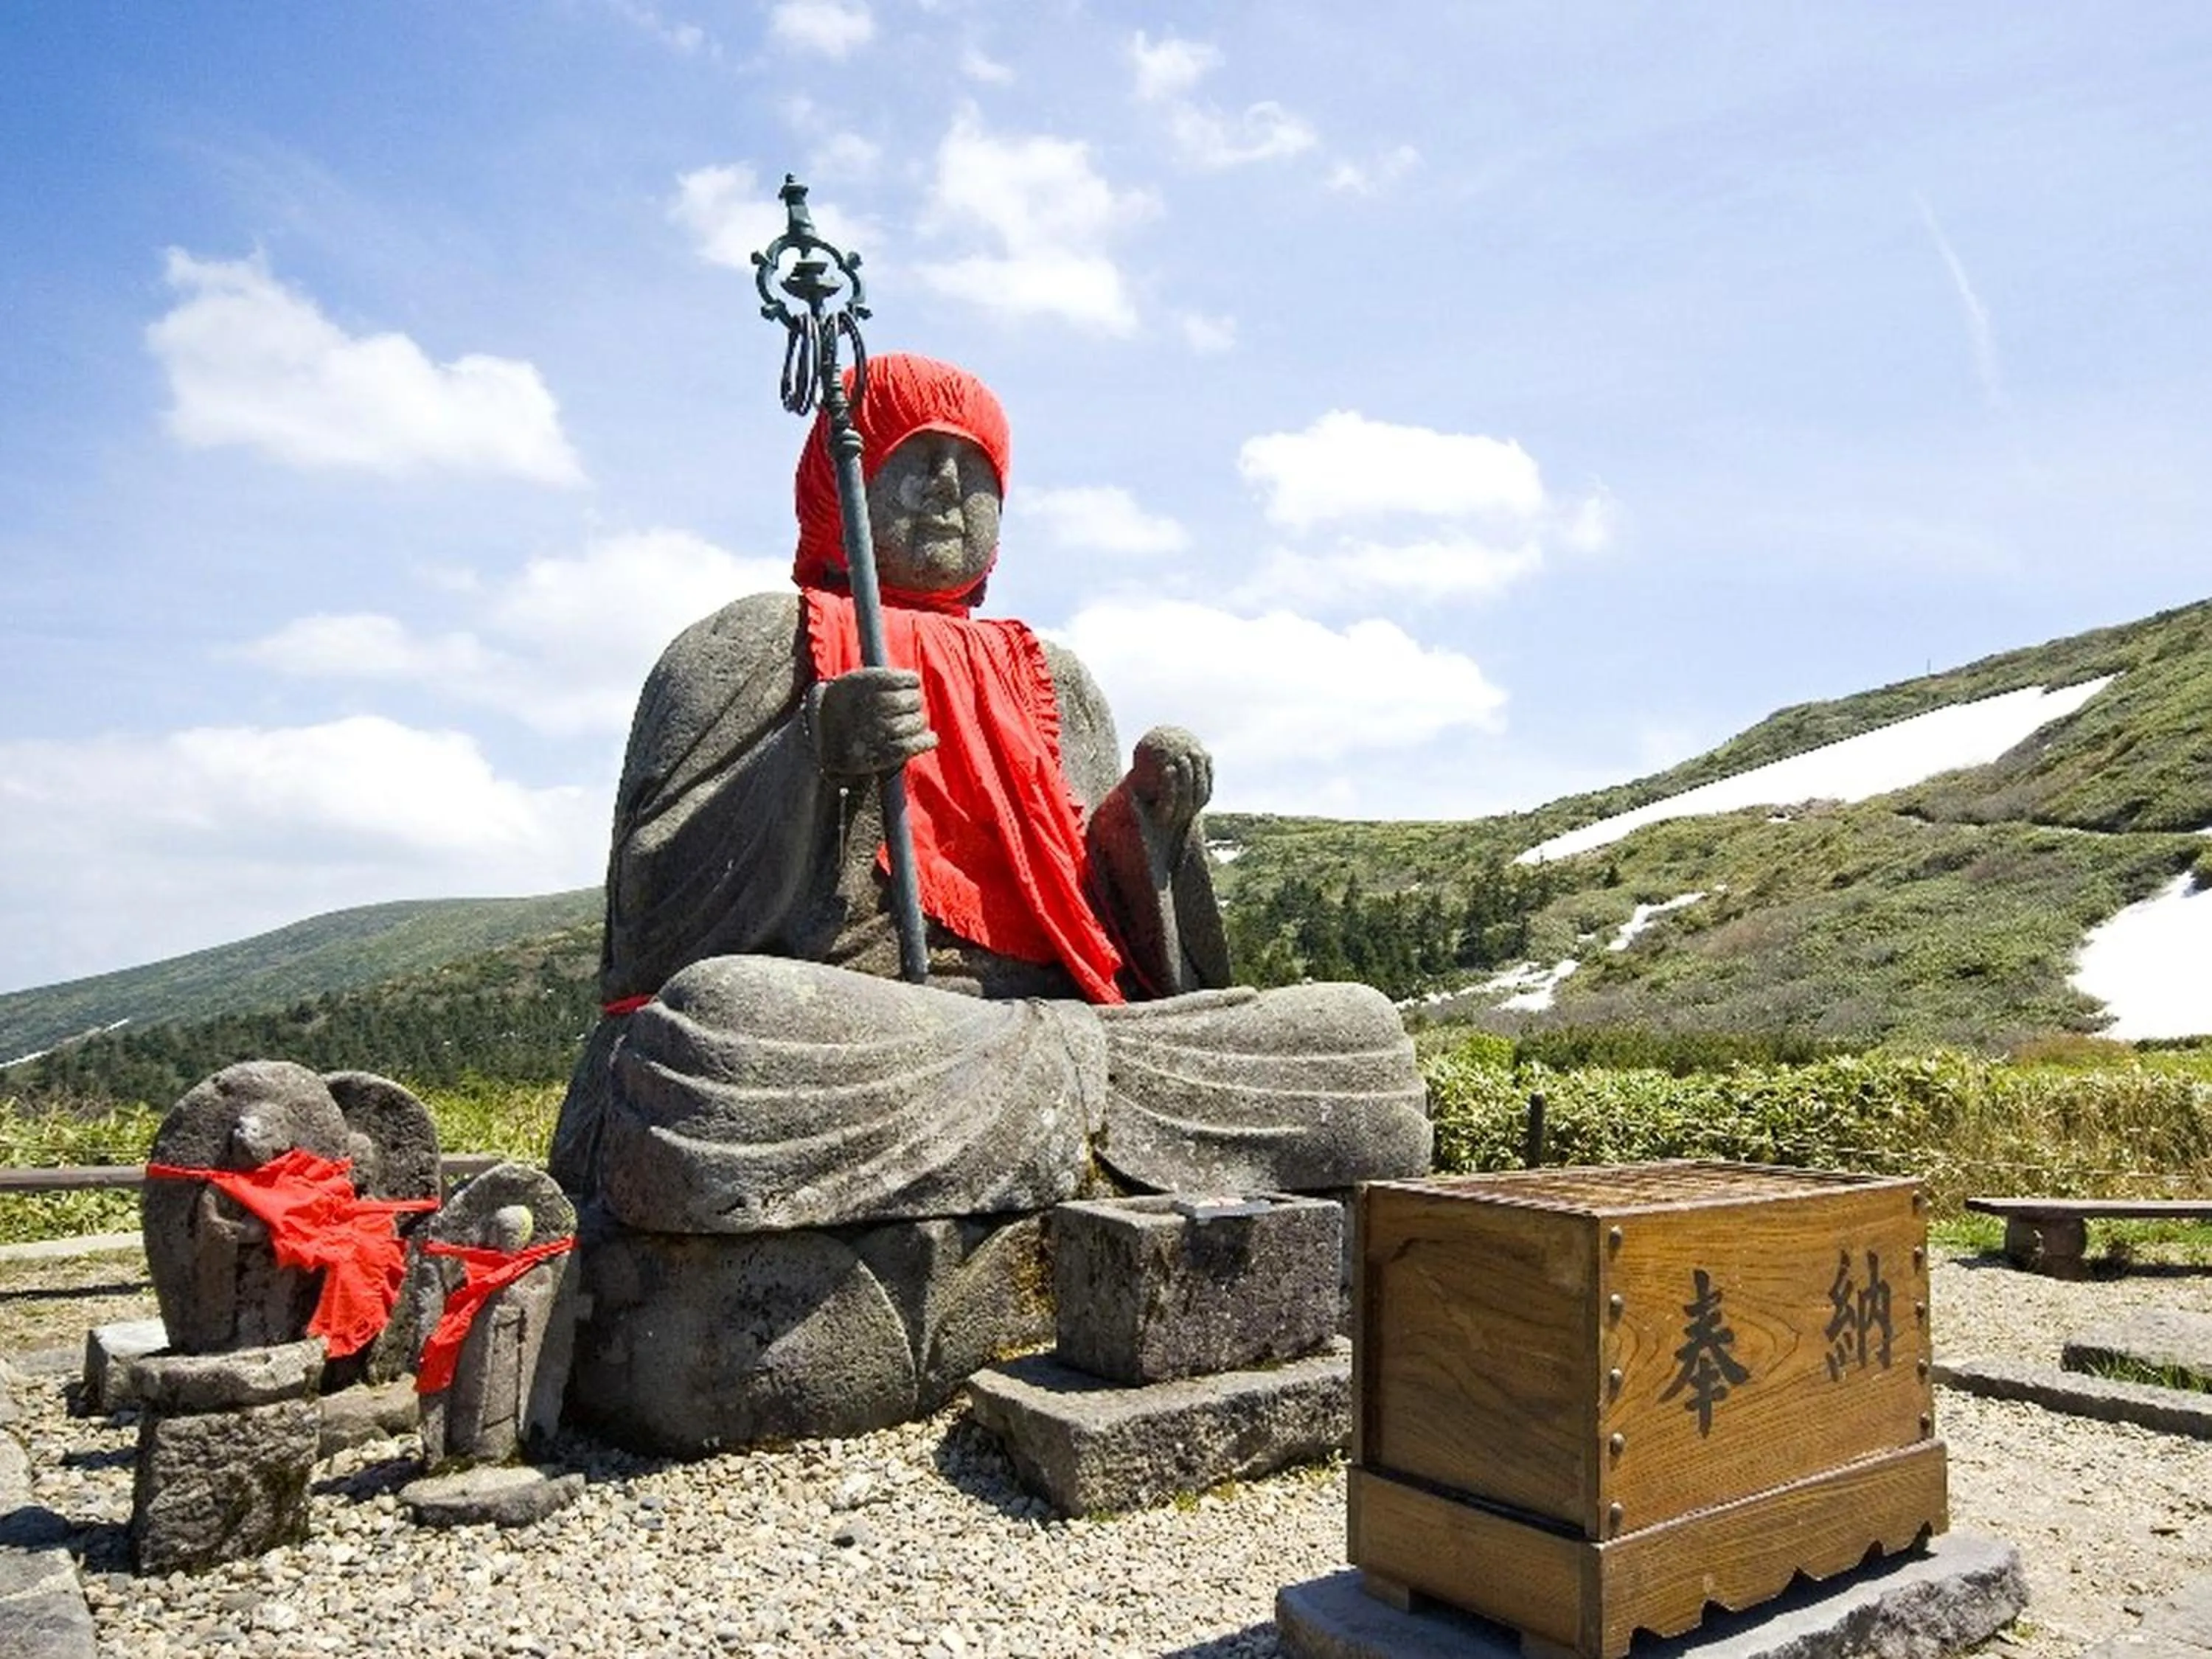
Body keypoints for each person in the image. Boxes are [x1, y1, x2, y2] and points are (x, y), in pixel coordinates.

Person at [552, 354, 1427, 1230]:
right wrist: (813, 755)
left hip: (1066, 1033)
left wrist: (1150, 823)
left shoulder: (1056, 678)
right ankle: (1070, 1122)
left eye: (974, 469)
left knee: (1359, 1036)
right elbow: (651, 926)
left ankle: (1049, 1110)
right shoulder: (755, 641)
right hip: (865, 1035)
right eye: (914, 457)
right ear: (837, 483)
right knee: (719, 1031)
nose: (945, 486)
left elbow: (1117, 940)